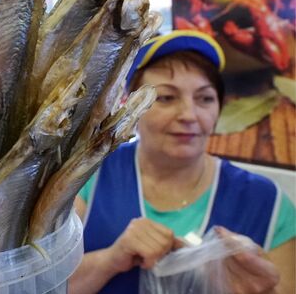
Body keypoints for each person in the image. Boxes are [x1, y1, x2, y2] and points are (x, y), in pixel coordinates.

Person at [69, 30, 296, 294]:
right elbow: (43, 285)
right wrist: (110, 260)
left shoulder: (266, 202)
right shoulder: (87, 178)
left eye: (205, 98)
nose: (189, 114)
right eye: (166, 97)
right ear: (131, 106)